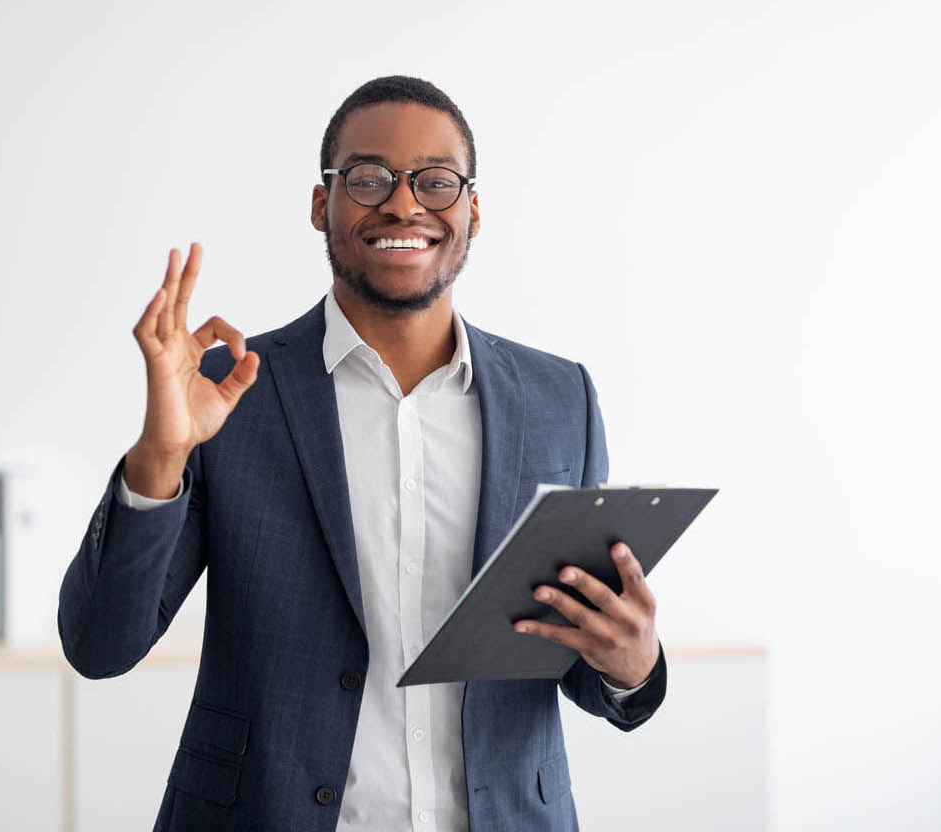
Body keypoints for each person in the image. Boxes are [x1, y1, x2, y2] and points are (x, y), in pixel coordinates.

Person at [58, 75, 667, 832]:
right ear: (323, 205)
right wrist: (160, 454)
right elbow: (100, 645)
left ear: (473, 210)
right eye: (370, 178)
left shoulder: (559, 399)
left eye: (436, 182)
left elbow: (568, 646)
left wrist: (630, 663)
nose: (405, 204)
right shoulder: (229, 392)